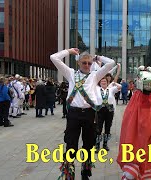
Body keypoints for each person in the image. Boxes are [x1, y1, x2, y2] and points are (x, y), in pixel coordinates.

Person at [50, 48, 115, 180]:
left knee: (89, 144)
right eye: (84, 62)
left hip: (89, 114)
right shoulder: (70, 73)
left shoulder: (94, 75)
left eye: (89, 63)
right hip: (73, 114)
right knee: (71, 144)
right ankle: (69, 174)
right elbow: (53, 58)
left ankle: (85, 173)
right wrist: (68, 51)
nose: (87, 65)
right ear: (78, 63)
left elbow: (111, 63)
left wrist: (97, 57)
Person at [117, 66, 151, 180]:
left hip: (150, 145)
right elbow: (128, 126)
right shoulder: (136, 101)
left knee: (149, 171)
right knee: (131, 173)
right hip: (135, 145)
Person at [95, 77, 121, 152]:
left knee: (108, 128)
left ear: (107, 82)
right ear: (99, 83)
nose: (103, 82)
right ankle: (97, 145)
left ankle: (105, 144)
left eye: (105, 81)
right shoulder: (97, 89)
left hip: (109, 110)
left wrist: (114, 83)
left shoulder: (111, 89)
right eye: (102, 81)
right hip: (100, 110)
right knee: (98, 128)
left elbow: (120, 87)